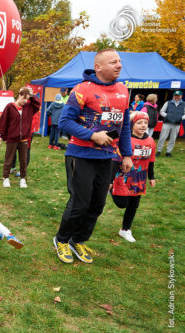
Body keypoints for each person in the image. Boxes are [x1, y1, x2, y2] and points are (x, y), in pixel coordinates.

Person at [53, 49, 133, 264]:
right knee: (80, 202)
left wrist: (127, 154)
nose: (119, 65)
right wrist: (92, 135)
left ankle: (78, 240)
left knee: (97, 204)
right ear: (98, 67)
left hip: (107, 157)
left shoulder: (124, 91)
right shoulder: (82, 89)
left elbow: (124, 126)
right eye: (113, 62)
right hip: (80, 155)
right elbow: (65, 123)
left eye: (119, 61)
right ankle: (61, 240)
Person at [111, 112, 156, 243]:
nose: (143, 126)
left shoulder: (151, 141)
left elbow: (151, 161)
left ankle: (125, 229)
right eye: (139, 123)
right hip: (123, 176)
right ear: (132, 125)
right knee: (122, 203)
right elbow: (114, 160)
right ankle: (111, 189)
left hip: (139, 177)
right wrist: (110, 179)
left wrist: (151, 177)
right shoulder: (124, 139)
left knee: (133, 205)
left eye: (145, 123)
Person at [0, 87, 40, 189]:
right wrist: (4, 136)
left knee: (23, 160)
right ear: (19, 96)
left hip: (24, 138)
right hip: (12, 138)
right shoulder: (10, 107)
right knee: (9, 159)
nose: (25, 101)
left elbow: (37, 105)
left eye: (27, 99)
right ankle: (6, 178)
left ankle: (22, 179)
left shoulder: (29, 107)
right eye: (24, 98)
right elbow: (3, 122)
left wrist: (32, 95)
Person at [156, 90, 184, 157]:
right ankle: (159, 150)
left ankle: (169, 151)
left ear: (181, 96)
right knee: (162, 137)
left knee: (173, 138)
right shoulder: (168, 103)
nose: (176, 97)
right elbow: (161, 111)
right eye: (175, 95)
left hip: (177, 124)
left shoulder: (184, 104)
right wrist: (167, 116)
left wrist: (180, 118)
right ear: (173, 96)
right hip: (167, 123)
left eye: (178, 96)